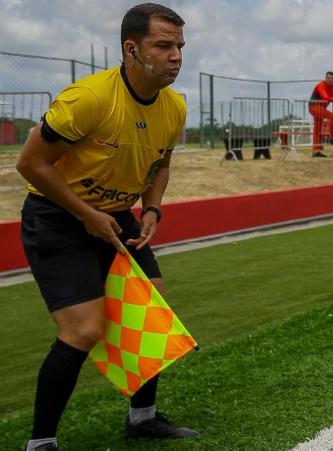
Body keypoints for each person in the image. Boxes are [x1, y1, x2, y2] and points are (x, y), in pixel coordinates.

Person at [14, 4, 198, 450]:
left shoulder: (174, 105)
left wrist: (152, 210)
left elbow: (161, 165)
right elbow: (31, 163)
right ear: (131, 49)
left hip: (117, 220)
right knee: (82, 330)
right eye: (163, 45)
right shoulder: (89, 98)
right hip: (58, 219)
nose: (176, 56)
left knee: (151, 311)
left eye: (179, 46)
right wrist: (85, 214)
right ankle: (40, 443)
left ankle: (142, 419)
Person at [308, 71, 333, 157]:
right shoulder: (321, 85)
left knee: (317, 129)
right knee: (332, 116)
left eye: (331, 78)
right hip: (314, 107)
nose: (330, 79)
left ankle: (316, 151)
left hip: (321, 108)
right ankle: (332, 138)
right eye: (328, 78)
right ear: (325, 78)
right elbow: (324, 97)